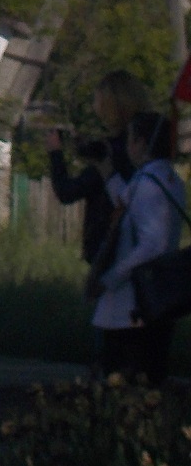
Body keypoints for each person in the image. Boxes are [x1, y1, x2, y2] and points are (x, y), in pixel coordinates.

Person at [89, 109, 181, 386]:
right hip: (159, 300)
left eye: (131, 139)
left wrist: (109, 278)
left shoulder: (148, 183)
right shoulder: (169, 180)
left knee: (126, 386)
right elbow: (129, 201)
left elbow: (151, 245)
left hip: (131, 307)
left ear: (141, 143)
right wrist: (106, 169)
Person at [45, 70, 149, 265]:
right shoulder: (145, 147)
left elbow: (67, 191)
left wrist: (55, 153)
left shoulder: (110, 155)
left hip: (110, 252)